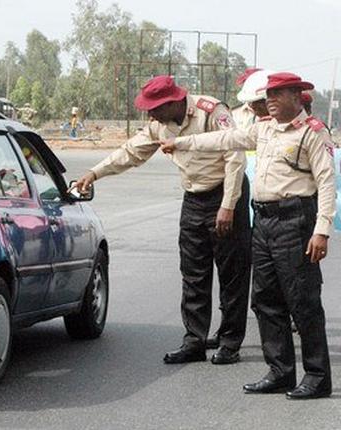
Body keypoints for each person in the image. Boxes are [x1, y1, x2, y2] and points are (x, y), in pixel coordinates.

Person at [161, 72, 336, 400]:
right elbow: (224, 140)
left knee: (302, 302)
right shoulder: (265, 127)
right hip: (264, 221)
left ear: (297, 96)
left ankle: (317, 376)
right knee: (265, 300)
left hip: (295, 220)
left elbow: (326, 183)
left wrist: (322, 230)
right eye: (267, 94)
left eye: (277, 94)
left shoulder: (312, 132)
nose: (269, 100)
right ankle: (281, 371)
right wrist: (181, 142)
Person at [75, 75, 251, 366]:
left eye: (154, 108)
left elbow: (235, 156)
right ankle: (194, 341)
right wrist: (94, 173)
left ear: (172, 102)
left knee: (232, 273)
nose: (149, 114)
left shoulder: (212, 111)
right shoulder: (160, 124)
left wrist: (228, 205)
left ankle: (230, 342)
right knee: (193, 273)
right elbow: (131, 152)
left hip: (226, 194)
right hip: (194, 198)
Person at [206, 69, 272, 350]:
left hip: (270, 201)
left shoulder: (283, 122)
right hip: (239, 200)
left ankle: (265, 325)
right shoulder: (234, 116)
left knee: (260, 274)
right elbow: (223, 145)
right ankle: (226, 330)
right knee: (233, 266)